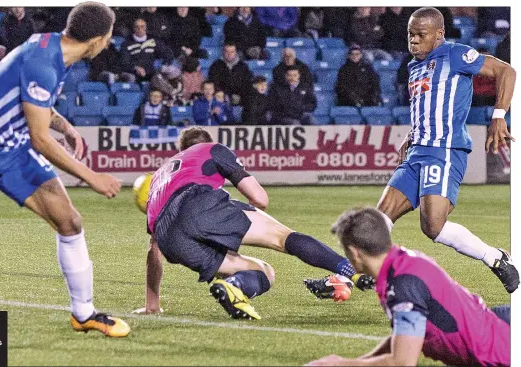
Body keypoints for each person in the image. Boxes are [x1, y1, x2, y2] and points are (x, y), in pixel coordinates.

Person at [308, 7, 519, 296]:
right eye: (411, 34)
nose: (414, 41)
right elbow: (426, 106)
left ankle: (495, 257)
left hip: (444, 150)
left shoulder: (456, 54)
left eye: (421, 35)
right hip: (418, 151)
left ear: (439, 34)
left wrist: (498, 116)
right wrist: (411, 135)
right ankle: (342, 279)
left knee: (433, 226)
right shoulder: (414, 65)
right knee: (378, 220)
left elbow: (505, 70)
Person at [0, 2, 130, 337]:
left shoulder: (52, 48)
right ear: (96, 41)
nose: (107, 43)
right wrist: (92, 177)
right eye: (107, 38)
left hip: (12, 149)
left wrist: (67, 127)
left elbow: (38, 108)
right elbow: (40, 140)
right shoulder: (43, 62)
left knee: (70, 221)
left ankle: (84, 313)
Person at [132, 127, 374, 319]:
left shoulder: (158, 178)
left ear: (180, 149)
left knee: (263, 272)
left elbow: (154, 251)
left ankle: (236, 286)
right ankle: (348, 271)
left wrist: (152, 305)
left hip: (170, 238)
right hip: (200, 204)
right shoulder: (212, 149)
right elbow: (260, 198)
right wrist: (239, 218)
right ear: (207, 141)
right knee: (282, 237)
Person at [305, 207, 510, 366]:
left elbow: (402, 362)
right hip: (497, 332)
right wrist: (361, 360)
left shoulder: (402, 285)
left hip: (503, 350)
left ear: (354, 252)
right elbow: (405, 336)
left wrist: (341, 364)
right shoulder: (400, 262)